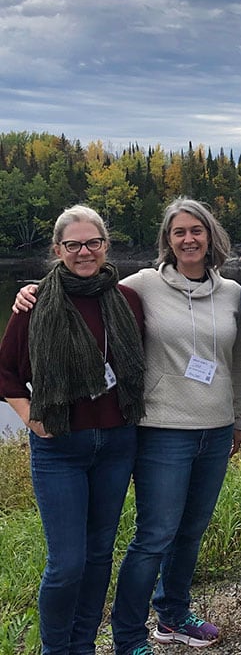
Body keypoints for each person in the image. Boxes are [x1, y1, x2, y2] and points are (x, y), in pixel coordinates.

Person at [13, 197, 241, 655]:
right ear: (167, 240)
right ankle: (127, 636)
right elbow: (75, 287)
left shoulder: (231, 293)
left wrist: (238, 417)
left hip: (210, 428)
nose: (188, 239)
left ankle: (173, 615)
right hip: (158, 430)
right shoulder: (142, 285)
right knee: (151, 537)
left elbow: (237, 362)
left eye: (196, 231)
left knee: (187, 532)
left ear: (210, 236)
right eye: (178, 232)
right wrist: (31, 290)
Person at [0, 205, 145, 655]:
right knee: (67, 563)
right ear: (57, 250)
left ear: (105, 244)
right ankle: (56, 649)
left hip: (118, 443)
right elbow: (4, 372)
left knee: (100, 555)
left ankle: (83, 645)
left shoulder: (128, 299)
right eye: (73, 245)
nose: (84, 252)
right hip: (59, 446)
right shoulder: (35, 302)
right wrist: (29, 416)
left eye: (93, 242)